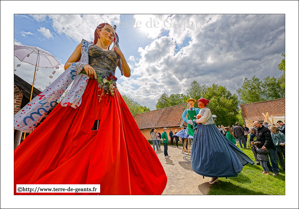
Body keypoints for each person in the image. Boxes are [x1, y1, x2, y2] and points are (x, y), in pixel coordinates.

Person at [13, 23, 167, 195]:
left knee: (110, 134)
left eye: (113, 32)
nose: (111, 34)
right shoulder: (86, 46)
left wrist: (121, 55)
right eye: (108, 30)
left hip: (110, 93)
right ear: (98, 32)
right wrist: (82, 66)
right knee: (80, 131)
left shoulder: (115, 52)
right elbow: (67, 64)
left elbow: (127, 73)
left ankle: (105, 173)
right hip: (88, 91)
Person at [191, 98, 254, 184]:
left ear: (203, 103)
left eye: (199, 102)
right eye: (198, 102)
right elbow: (199, 119)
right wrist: (196, 119)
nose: (198, 103)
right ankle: (212, 173)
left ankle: (217, 173)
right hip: (202, 131)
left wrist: (196, 120)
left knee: (214, 150)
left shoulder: (207, 110)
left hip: (208, 130)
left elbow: (204, 119)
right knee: (203, 150)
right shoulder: (200, 110)